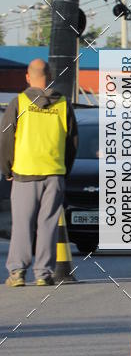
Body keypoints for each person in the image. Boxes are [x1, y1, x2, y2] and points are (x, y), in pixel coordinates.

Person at [0, 59, 78, 286]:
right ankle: (43, 273)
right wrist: (64, 170)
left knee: (23, 224)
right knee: (48, 225)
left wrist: (6, 168)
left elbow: (6, 138)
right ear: (50, 75)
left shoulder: (19, 103)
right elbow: (73, 142)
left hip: (24, 172)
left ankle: (17, 272)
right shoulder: (63, 104)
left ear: (28, 77)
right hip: (54, 173)